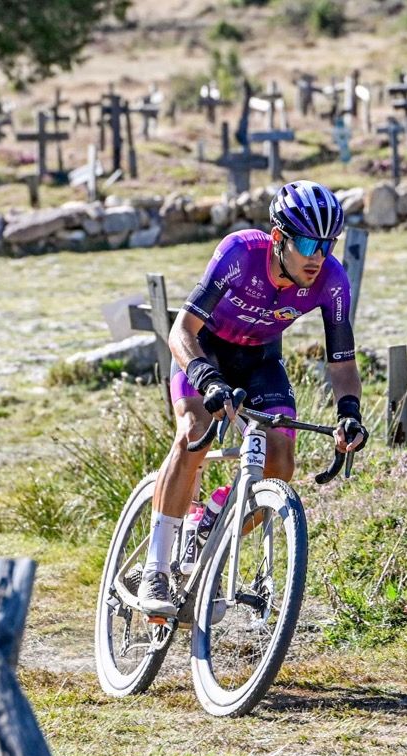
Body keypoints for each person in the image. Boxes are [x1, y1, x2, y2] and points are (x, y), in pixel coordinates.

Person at [136, 180, 368, 616]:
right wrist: (205, 377)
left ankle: (213, 518)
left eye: (327, 243)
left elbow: (341, 361)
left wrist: (349, 412)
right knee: (196, 433)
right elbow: (181, 331)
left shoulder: (332, 281)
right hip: (204, 352)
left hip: (260, 360)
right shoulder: (239, 253)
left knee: (280, 463)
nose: (317, 255)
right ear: (279, 238)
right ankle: (156, 570)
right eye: (306, 242)